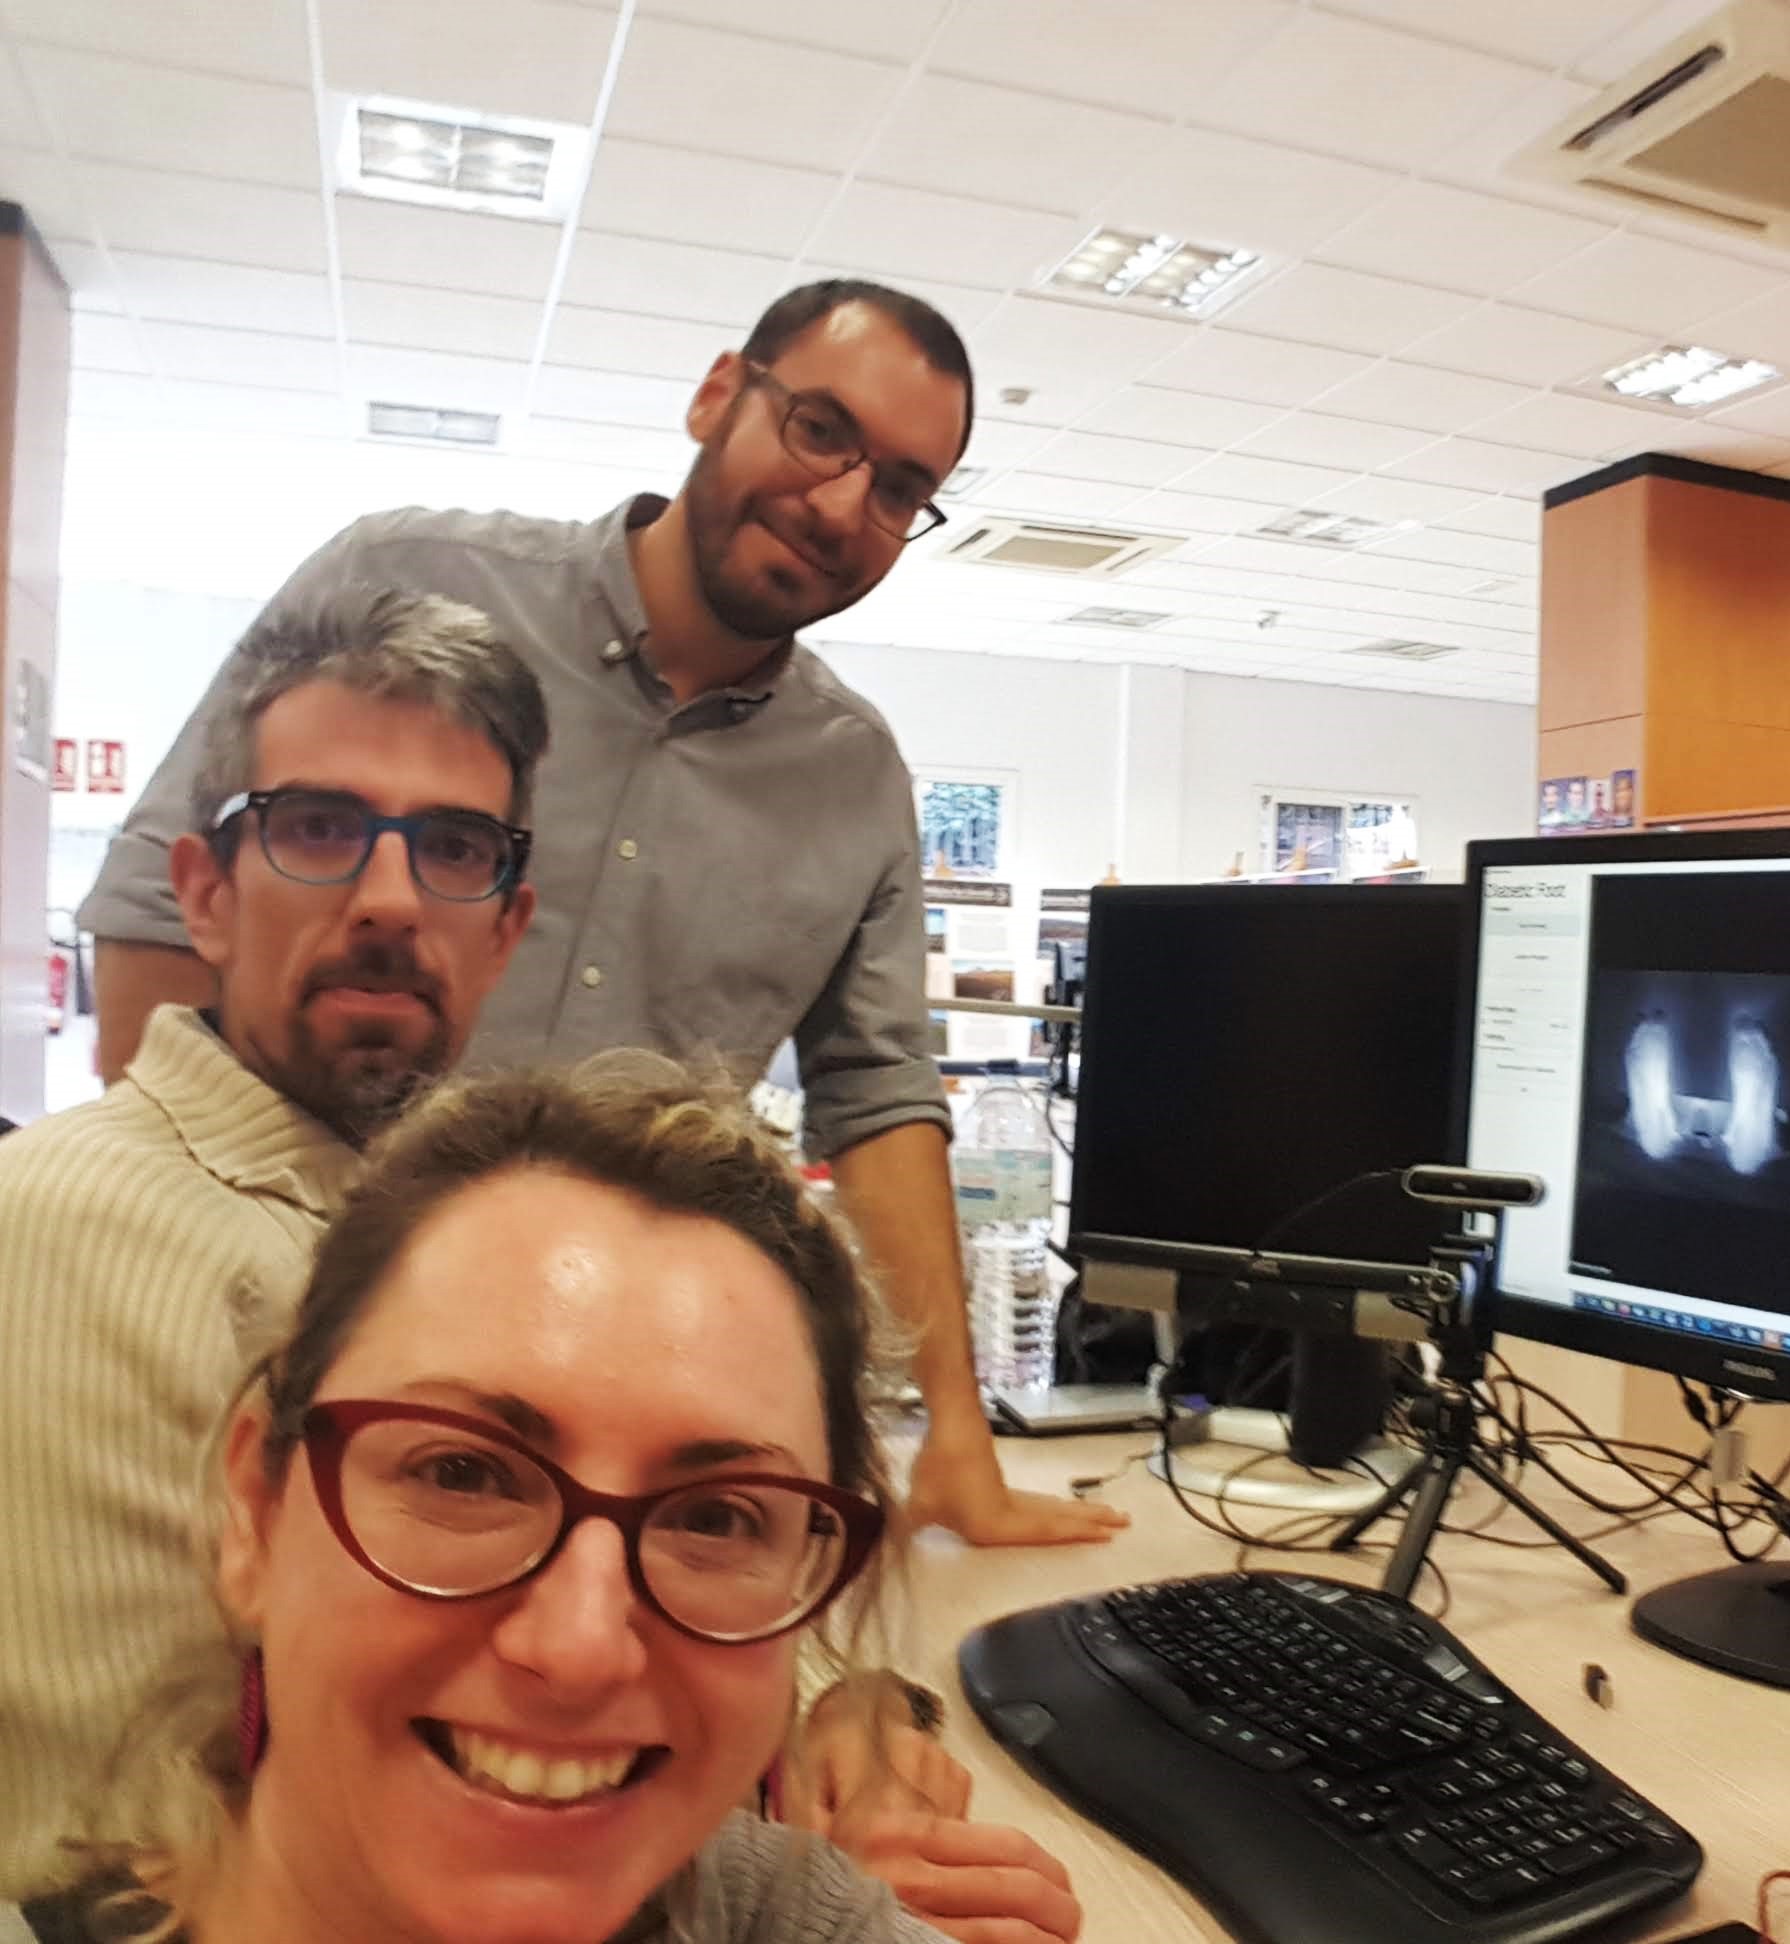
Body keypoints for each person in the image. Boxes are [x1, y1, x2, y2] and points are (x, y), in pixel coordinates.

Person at [78, 277, 1124, 1554]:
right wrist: (177, 1251)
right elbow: (154, 918)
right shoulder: (405, 580)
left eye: (901, 488)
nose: (846, 502)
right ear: (717, 394)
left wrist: (954, 1432)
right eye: (818, 430)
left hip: (596, 1407)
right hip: (274, 1335)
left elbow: (881, 1099)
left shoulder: (855, 778)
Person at [5, 1059, 1079, 1944]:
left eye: (716, 1516)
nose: (578, 1648)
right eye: (461, 1473)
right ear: (255, 1509)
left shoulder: (766, 1907)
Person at [0, 587, 545, 1890]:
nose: (390, 899)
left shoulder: (486, 1223)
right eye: (317, 828)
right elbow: (106, 1867)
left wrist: (852, 1711)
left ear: (508, 932)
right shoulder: (55, 1224)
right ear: (205, 898)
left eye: (458, 848)